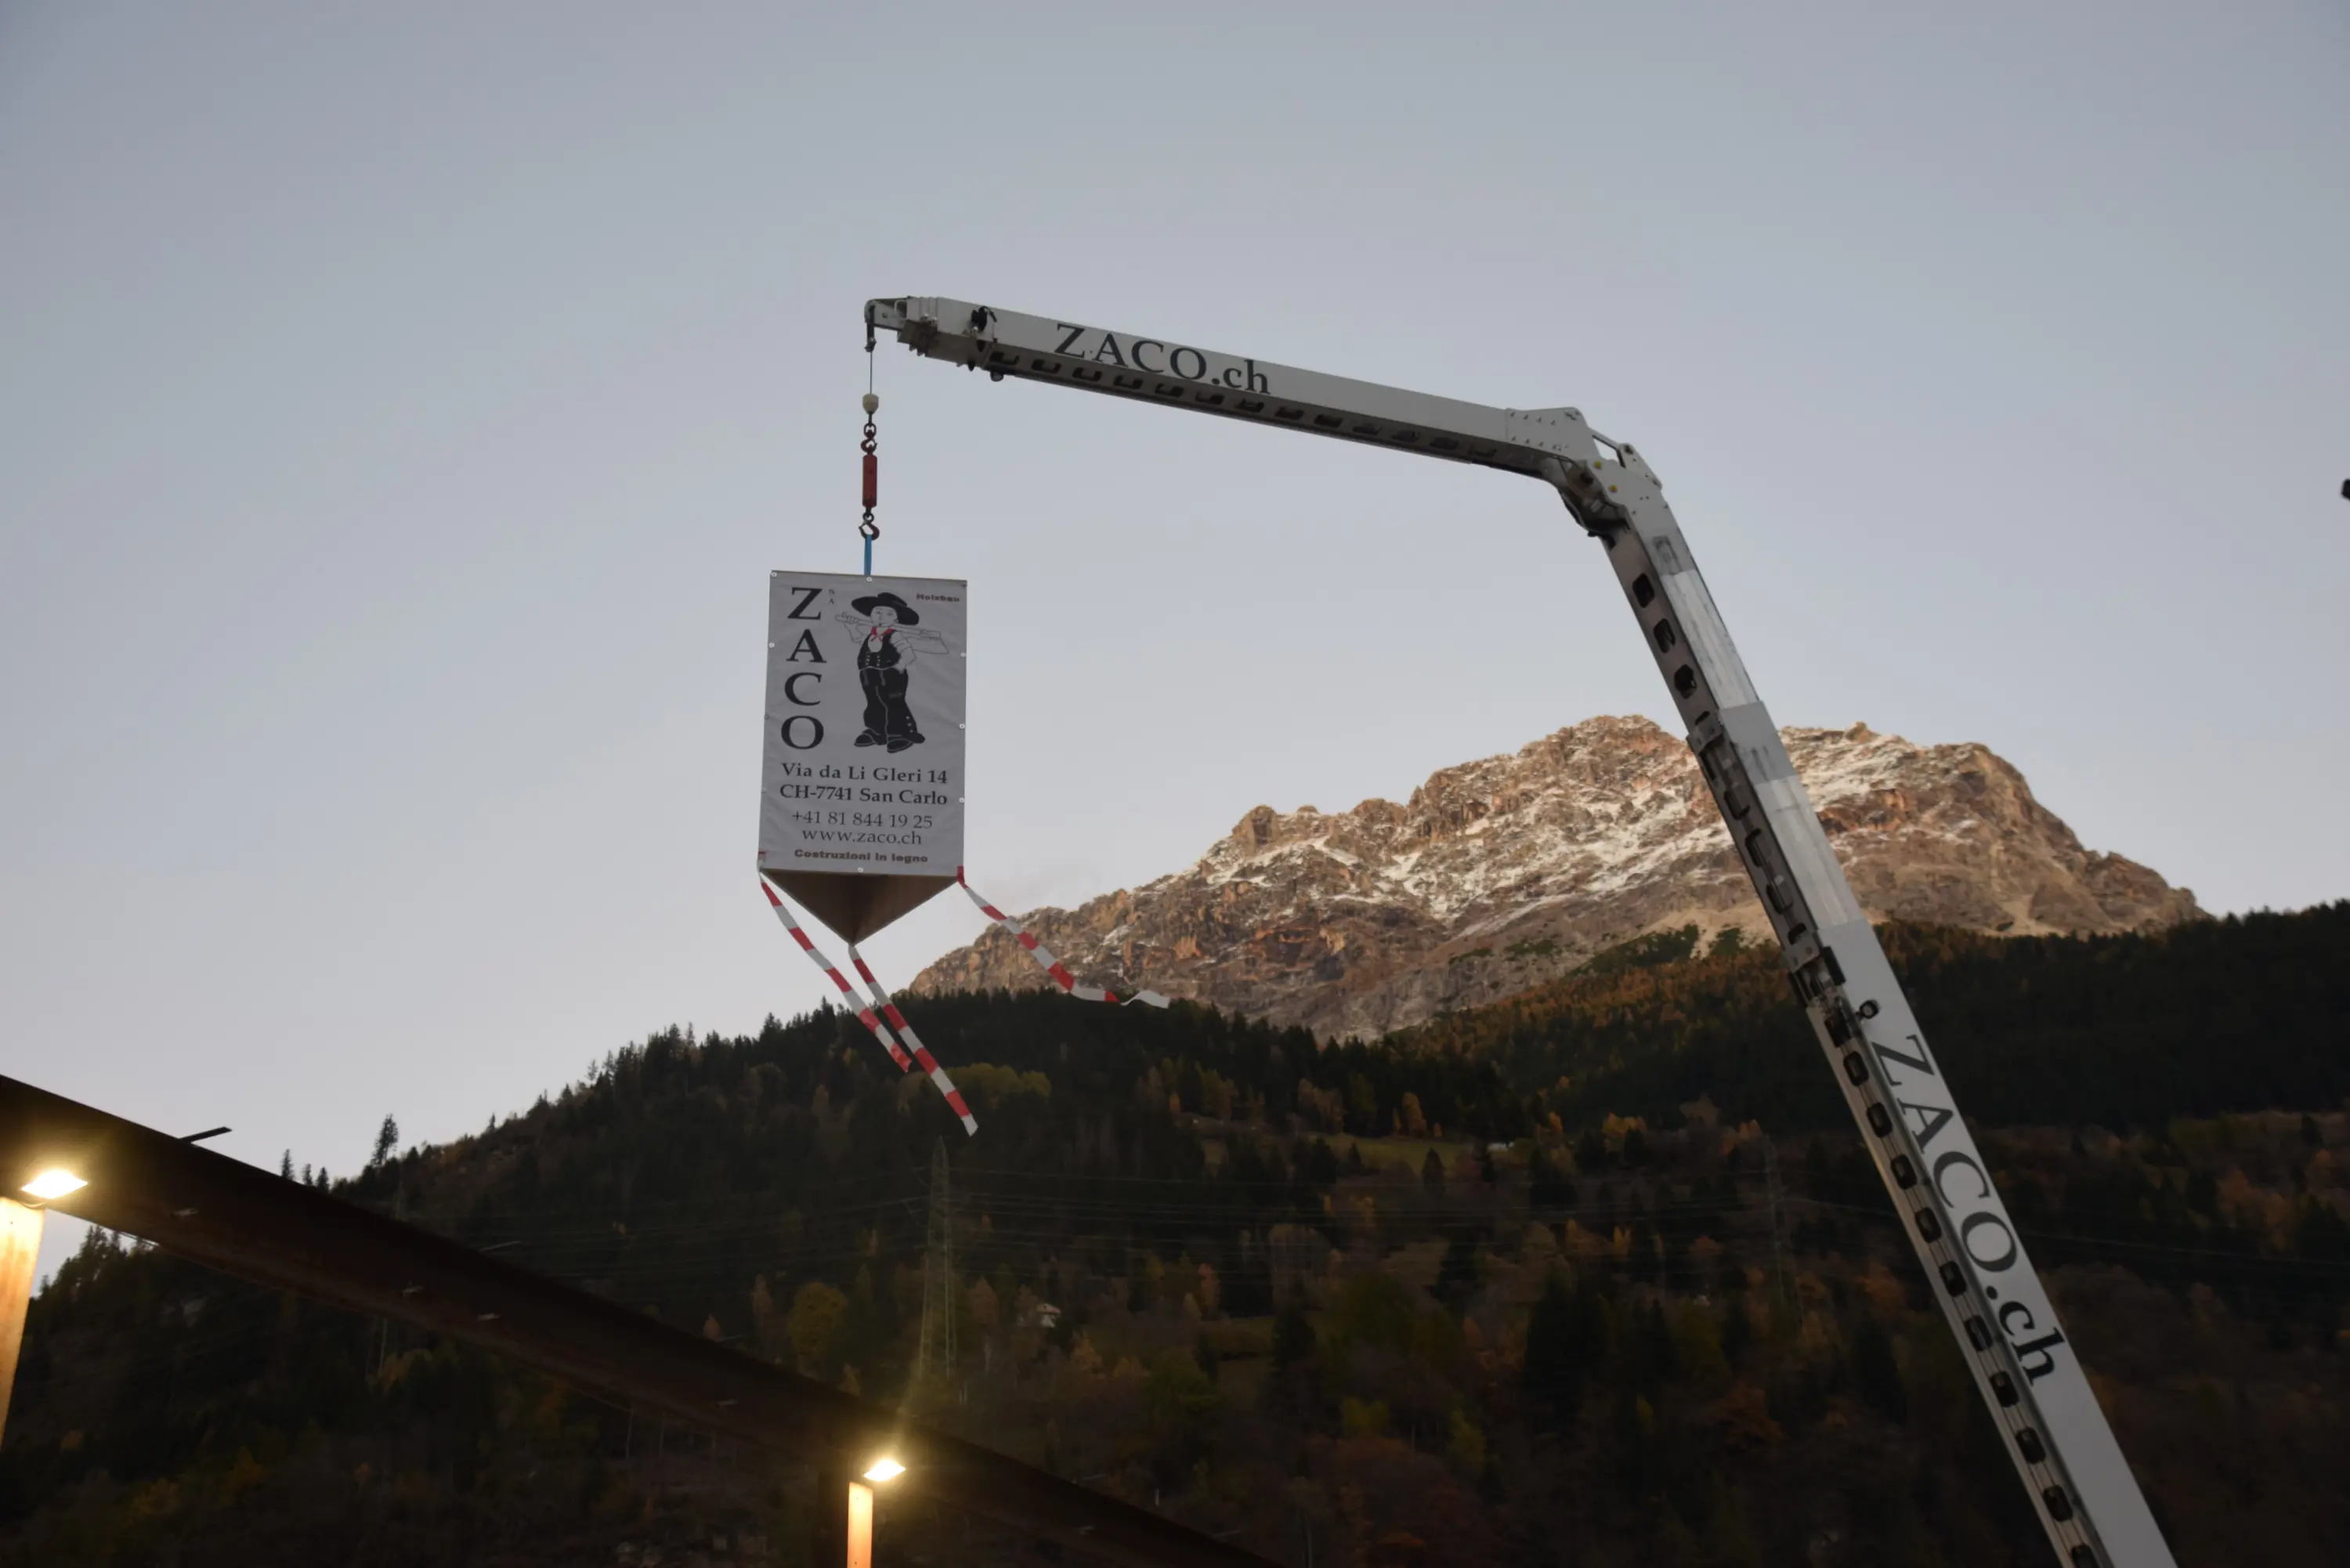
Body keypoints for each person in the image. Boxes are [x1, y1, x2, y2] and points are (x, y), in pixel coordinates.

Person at [837, 591, 946, 753]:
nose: (882, 616)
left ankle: (901, 734)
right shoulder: (871, 635)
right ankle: (877, 732)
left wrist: (899, 667)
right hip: (869, 675)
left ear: (895, 619)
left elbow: (909, 654)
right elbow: (858, 640)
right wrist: (852, 628)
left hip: (891, 675)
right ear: (871, 614)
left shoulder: (895, 635)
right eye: (878, 612)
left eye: (889, 613)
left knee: (894, 704)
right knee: (873, 703)